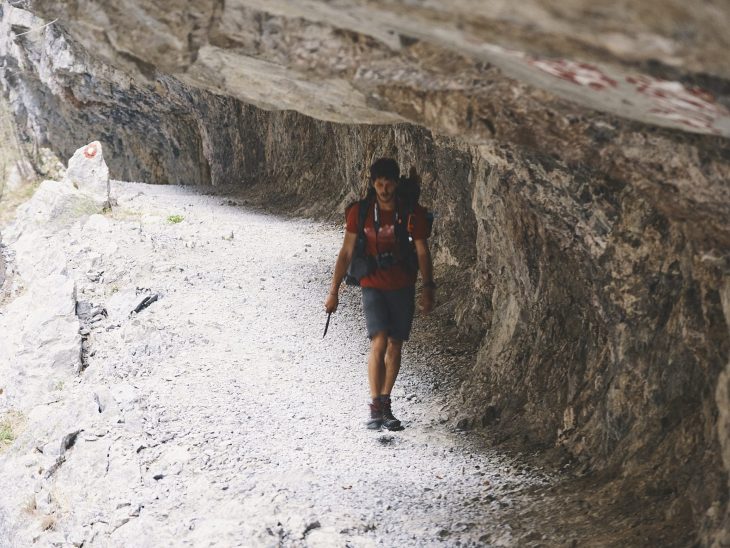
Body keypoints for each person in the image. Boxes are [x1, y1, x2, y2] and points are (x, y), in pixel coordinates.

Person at [324, 158, 435, 430]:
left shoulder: (411, 214)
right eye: (379, 184)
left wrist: (428, 289)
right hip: (372, 284)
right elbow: (346, 253)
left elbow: (422, 251)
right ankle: (376, 407)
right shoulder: (360, 213)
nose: (384, 189)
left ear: (396, 184)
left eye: (388, 184)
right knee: (379, 341)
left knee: (395, 344)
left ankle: (385, 403)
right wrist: (333, 291)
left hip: (402, 285)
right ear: (372, 184)